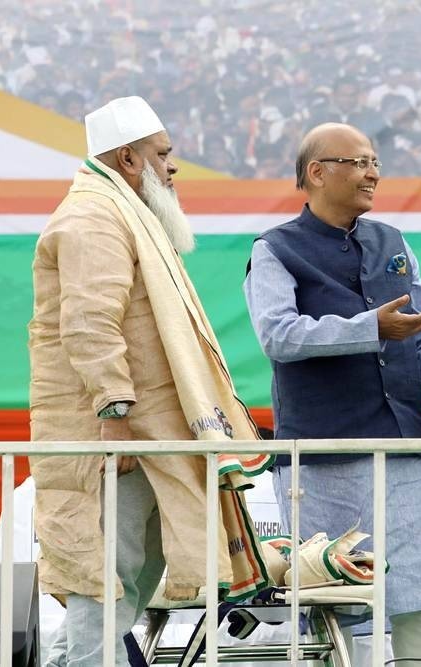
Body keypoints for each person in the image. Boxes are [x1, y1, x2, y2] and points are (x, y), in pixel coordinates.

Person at [29, 96, 268, 665]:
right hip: (118, 439)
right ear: (128, 159)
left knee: (132, 581)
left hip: (152, 435)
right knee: (104, 579)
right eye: (162, 154)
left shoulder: (123, 212)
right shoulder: (92, 217)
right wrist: (114, 417)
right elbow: (89, 323)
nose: (172, 166)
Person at [244, 122, 421, 664]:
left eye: (375, 163)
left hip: (403, 445)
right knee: (333, 594)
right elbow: (278, 335)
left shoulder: (393, 241)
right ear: (317, 173)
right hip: (325, 453)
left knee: (418, 587)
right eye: (360, 162)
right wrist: (369, 328)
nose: (373, 173)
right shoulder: (275, 249)